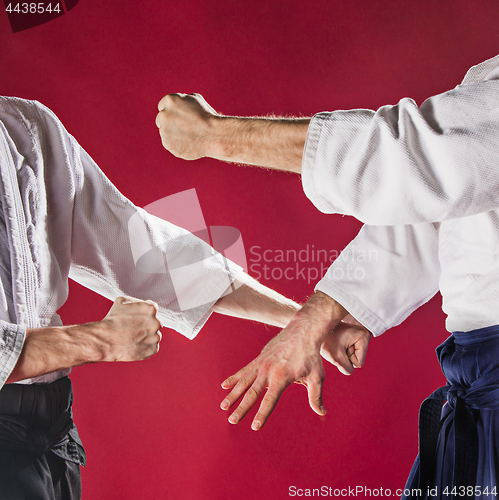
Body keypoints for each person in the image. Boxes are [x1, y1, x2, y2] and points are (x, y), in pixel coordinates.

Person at [156, 54, 499, 497]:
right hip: (480, 377)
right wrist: (320, 313)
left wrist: (214, 134)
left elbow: (418, 160)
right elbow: (439, 208)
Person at [0, 95, 319, 500]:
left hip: (51, 433)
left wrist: (305, 322)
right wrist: (98, 340)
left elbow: (141, 250)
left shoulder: (24, 126)